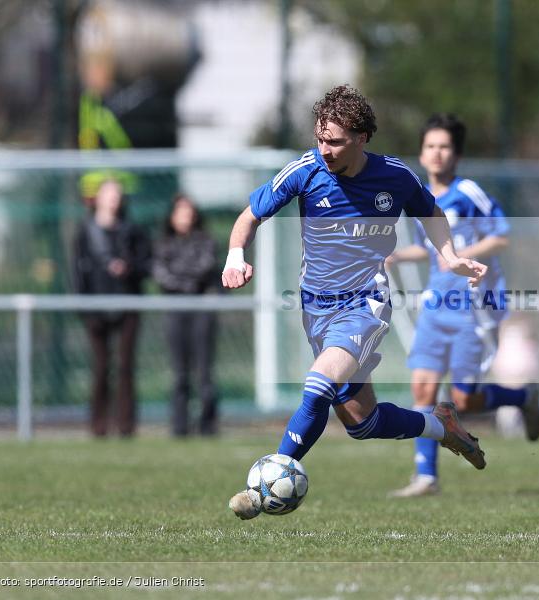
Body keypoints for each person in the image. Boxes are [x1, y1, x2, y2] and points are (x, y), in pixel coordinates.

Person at [223, 86, 489, 519]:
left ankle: (264, 486)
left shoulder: (395, 175)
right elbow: (250, 215)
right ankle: (442, 426)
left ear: (362, 138)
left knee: (317, 385)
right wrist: (236, 256)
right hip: (316, 309)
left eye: (336, 141)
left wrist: (451, 257)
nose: (325, 150)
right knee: (361, 424)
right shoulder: (305, 170)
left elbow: (431, 212)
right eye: (320, 138)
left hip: (365, 303)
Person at [386, 113, 539, 498]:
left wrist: (462, 254)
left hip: (473, 308)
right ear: (421, 154)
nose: (437, 154)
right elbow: (430, 250)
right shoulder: (422, 196)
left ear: (456, 154)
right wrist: (393, 256)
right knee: (423, 389)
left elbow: (501, 236)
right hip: (436, 306)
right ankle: (427, 476)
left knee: (462, 400)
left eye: (445, 147)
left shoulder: (468, 192)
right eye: (430, 147)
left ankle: (523, 397)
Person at [72, 179, 151, 437]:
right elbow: (77, 270)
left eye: (117, 194)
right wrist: (83, 305)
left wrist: (128, 267)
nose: (114, 199)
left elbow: (145, 263)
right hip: (95, 308)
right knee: (101, 367)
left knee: (126, 366)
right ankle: (98, 426)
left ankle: (126, 426)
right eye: (109, 194)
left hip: (127, 305)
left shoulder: (132, 229)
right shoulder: (85, 231)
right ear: (98, 198)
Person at [153, 194, 221, 437]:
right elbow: (161, 274)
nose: (186, 216)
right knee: (180, 372)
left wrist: (182, 278)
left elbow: (206, 266)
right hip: (175, 311)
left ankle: (207, 425)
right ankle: (179, 427)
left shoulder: (205, 241)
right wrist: (188, 282)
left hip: (201, 311)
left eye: (189, 211)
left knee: (204, 372)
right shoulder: (164, 243)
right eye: (180, 211)